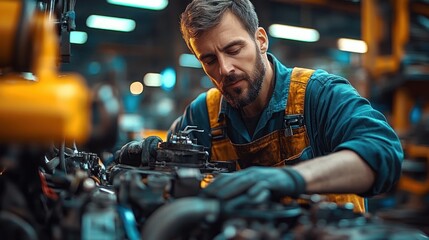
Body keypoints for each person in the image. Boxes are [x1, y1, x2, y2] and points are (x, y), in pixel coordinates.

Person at [117, 0, 403, 213]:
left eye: (233, 49)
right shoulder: (202, 114)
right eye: (209, 60)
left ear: (261, 40)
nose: (225, 69)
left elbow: (383, 154)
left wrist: (290, 179)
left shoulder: (319, 94)